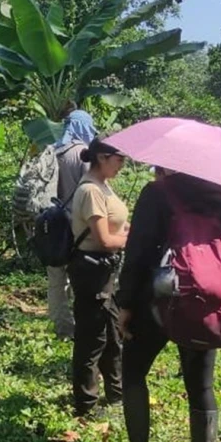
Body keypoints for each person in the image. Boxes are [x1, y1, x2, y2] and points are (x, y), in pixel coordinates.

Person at [117, 171, 221, 442]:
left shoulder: (156, 193)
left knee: (134, 373)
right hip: (204, 302)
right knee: (201, 386)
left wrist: (125, 303)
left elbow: (137, 253)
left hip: (151, 301)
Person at [67, 139, 128, 417]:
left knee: (113, 335)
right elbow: (103, 239)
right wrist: (132, 239)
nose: (122, 165)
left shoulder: (104, 184)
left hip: (105, 271)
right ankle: (86, 404)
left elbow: (115, 225)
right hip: (91, 270)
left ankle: (116, 394)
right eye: (119, 160)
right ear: (103, 157)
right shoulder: (91, 190)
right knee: (92, 339)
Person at [47, 123, 92, 340]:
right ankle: (82, 324)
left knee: (56, 278)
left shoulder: (53, 151)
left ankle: (62, 328)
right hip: (78, 225)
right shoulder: (83, 153)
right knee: (80, 276)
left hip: (53, 224)